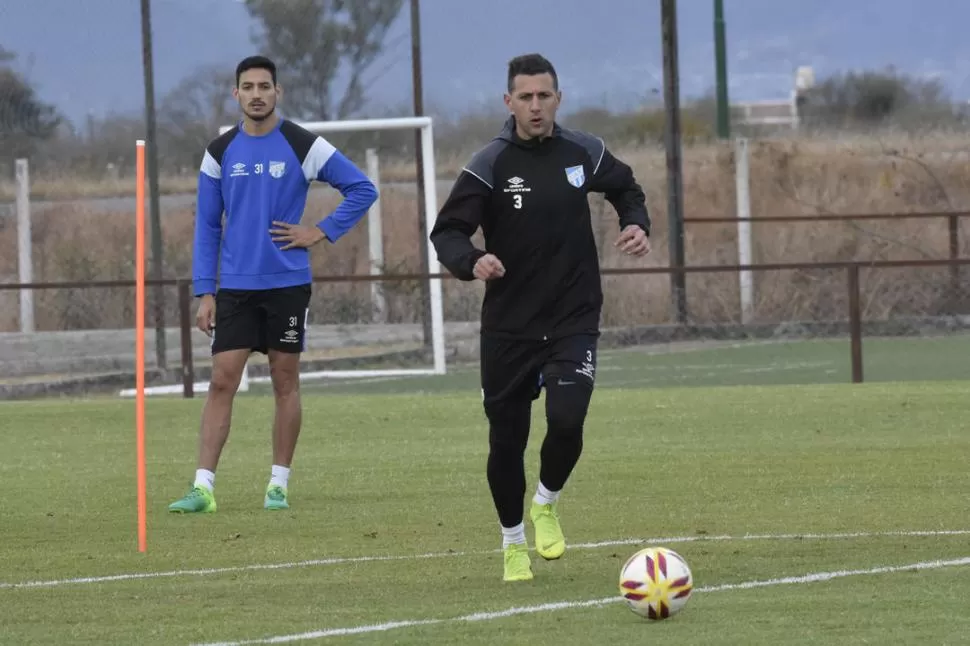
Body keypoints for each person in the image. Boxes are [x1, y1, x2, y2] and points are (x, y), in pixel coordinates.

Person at [429, 53, 651, 581]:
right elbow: (447, 233)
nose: (535, 105)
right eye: (524, 97)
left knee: (568, 418)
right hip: (509, 326)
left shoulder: (584, 152)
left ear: (558, 98)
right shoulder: (489, 163)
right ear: (508, 102)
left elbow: (626, 186)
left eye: (543, 96)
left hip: (573, 317)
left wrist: (636, 221)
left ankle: (546, 501)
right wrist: (471, 260)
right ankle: (512, 542)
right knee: (506, 442)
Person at [168, 55, 378, 514]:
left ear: (278, 93)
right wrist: (206, 291)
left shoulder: (301, 143)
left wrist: (319, 231)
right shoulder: (219, 152)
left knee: (285, 380)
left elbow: (363, 188)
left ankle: (278, 485)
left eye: (265, 86)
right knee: (222, 380)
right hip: (236, 289)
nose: (257, 94)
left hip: (287, 284)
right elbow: (207, 226)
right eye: (248, 86)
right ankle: (203, 488)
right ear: (236, 94)